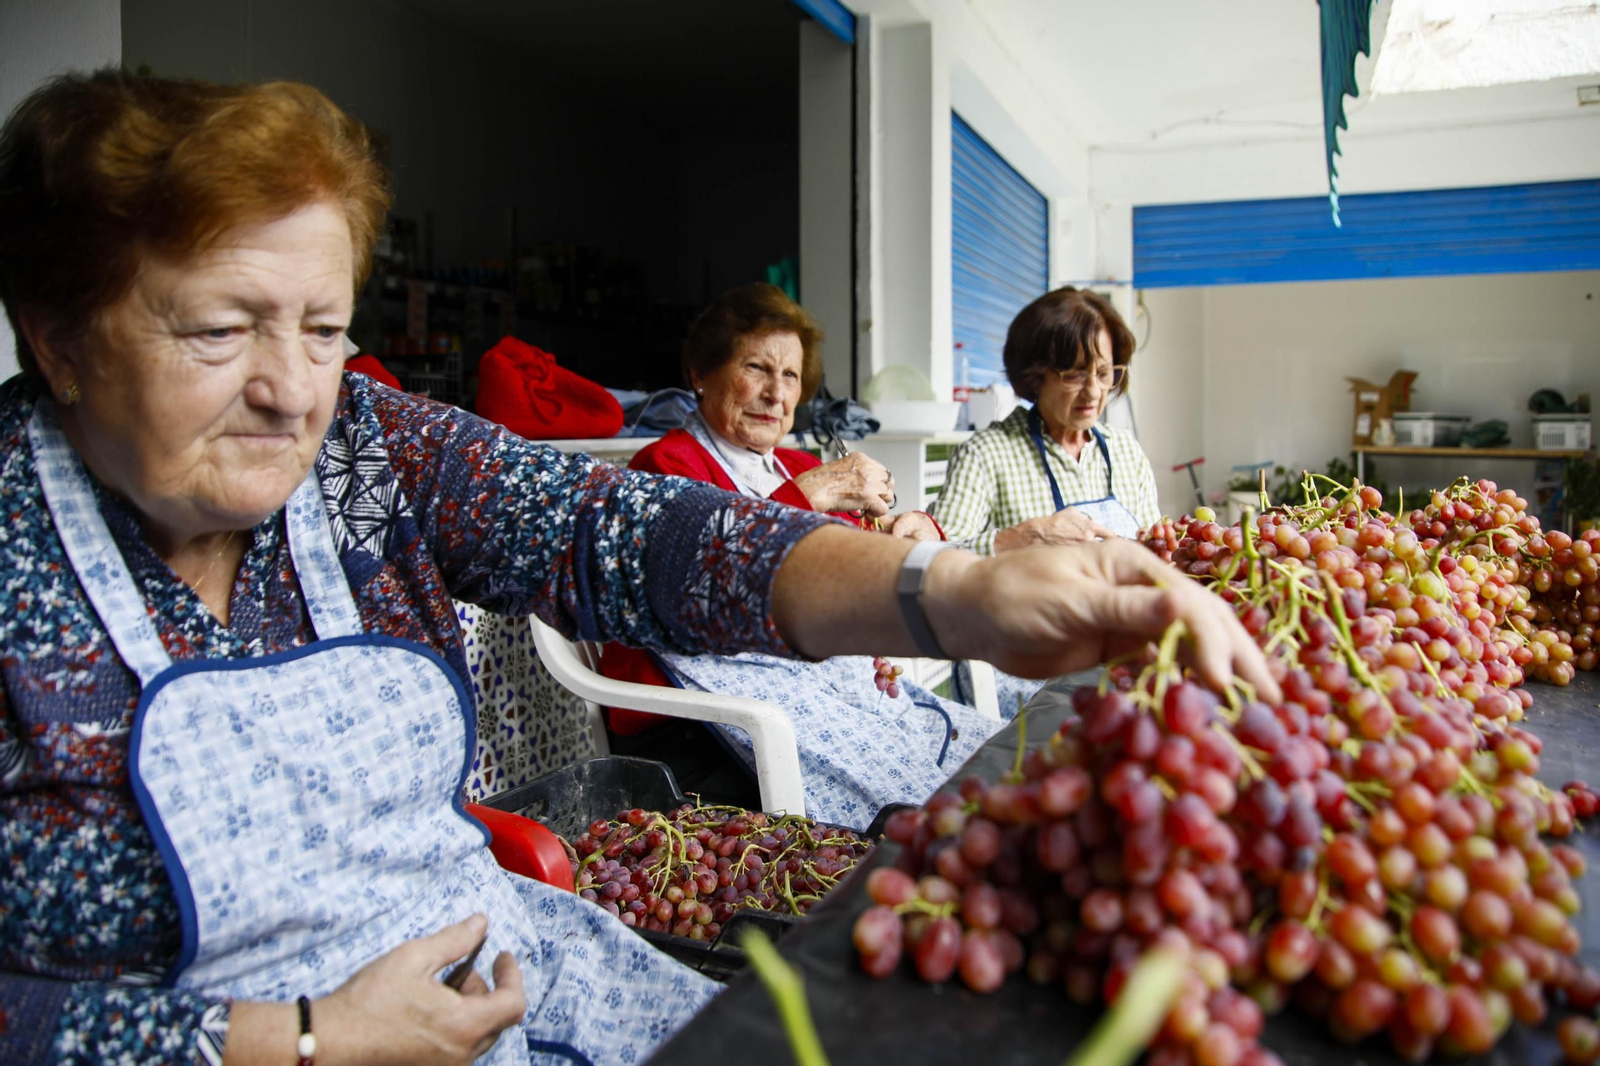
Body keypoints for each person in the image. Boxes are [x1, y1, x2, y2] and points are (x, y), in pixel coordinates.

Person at [0, 71, 1276, 1066]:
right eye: (220, 330)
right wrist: (297, 1041)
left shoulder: (368, 450)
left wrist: (950, 595)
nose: (291, 390)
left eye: (325, 328)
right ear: (54, 334)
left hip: (510, 971)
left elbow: (622, 532)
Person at [631, 282, 941, 539]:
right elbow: (706, 570)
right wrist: (809, 493)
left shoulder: (800, 464)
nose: (776, 394)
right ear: (700, 374)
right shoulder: (663, 465)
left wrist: (913, 530)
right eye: (756, 367)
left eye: (790, 375)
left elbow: (860, 540)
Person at [931, 286, 1162, 553]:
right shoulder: (986, 455)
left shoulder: (1126, 451)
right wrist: (1016, 540)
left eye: (1103, 373)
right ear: (1034, 376)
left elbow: (1155, 549)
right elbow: (936, 555)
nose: (1093, 391)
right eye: (1074, 375)